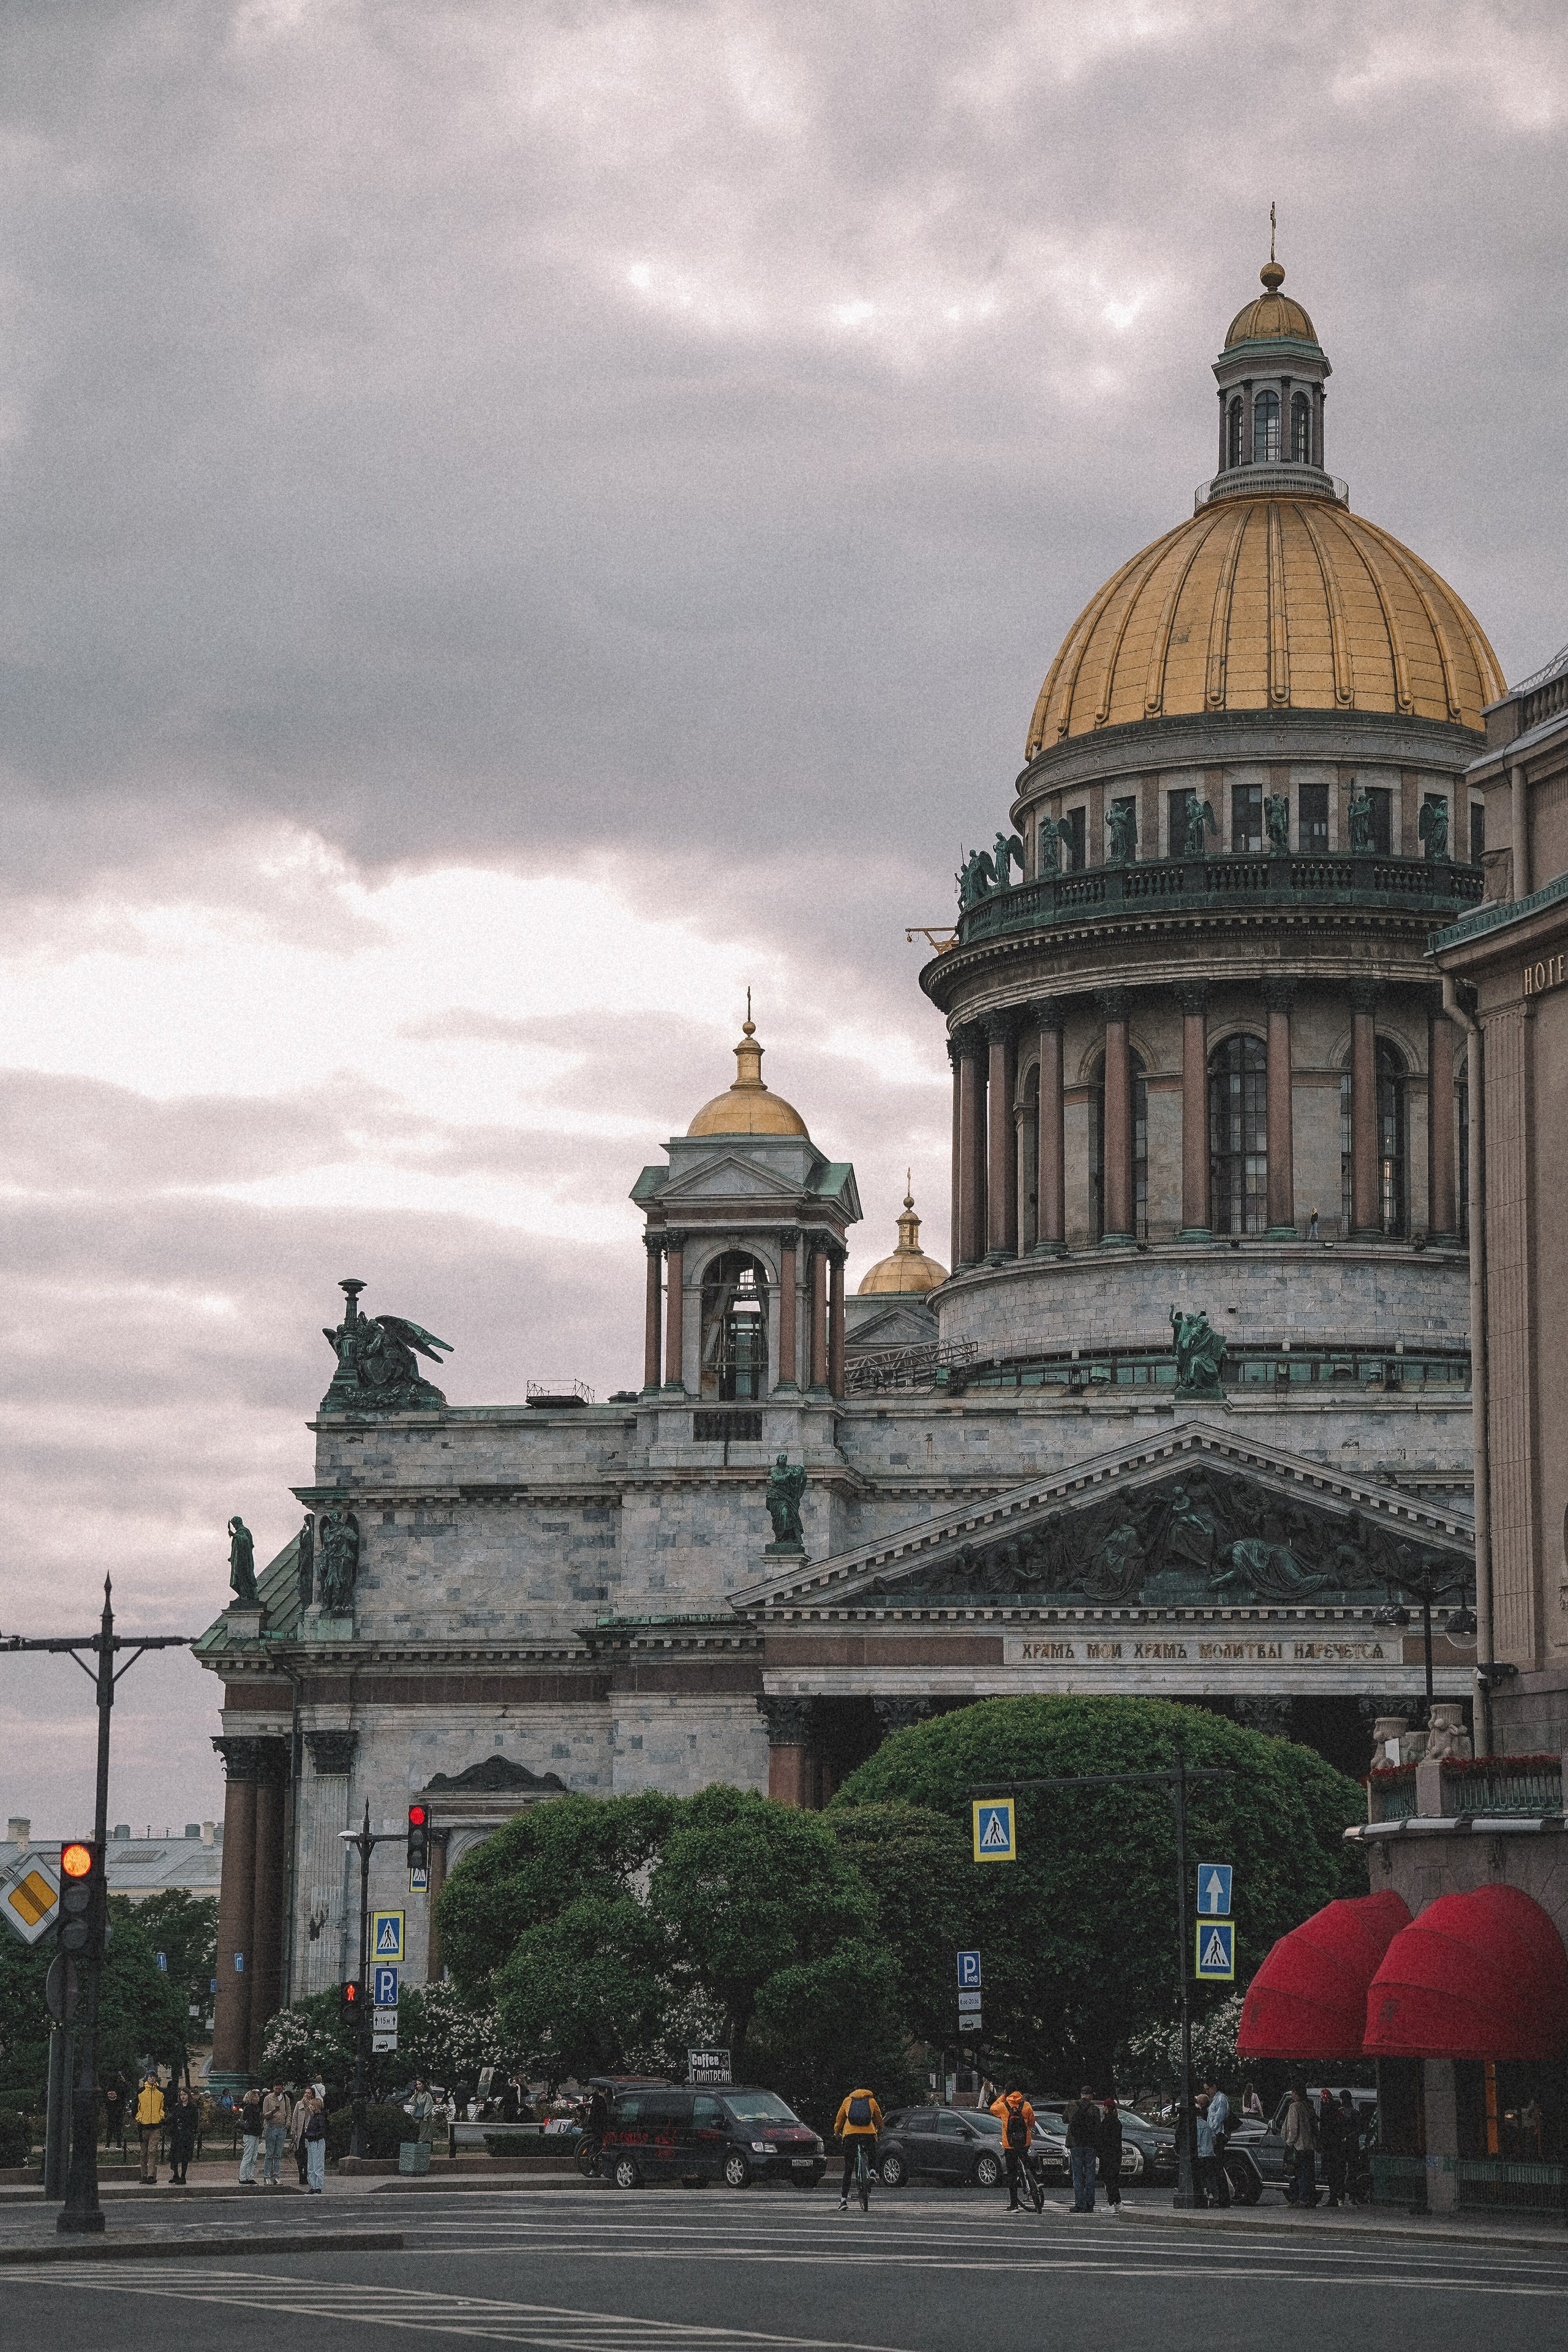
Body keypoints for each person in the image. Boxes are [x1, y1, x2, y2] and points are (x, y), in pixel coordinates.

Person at [832, 2085, 883, 2210]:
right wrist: (879, 2129)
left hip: (850, 2134)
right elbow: (879, 2118)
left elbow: (840, 2119)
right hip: (868, 2133)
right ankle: (872, 2172)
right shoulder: (871, 2101)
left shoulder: (848, 2101)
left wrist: (836, 2132)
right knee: (872, 2151)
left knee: (849, 2168)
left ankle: (843, 2201)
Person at [990, 2085, 1038, 2214]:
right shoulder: (1026, 2105)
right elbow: (1032, 2122)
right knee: (1026, 2162)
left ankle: (1014, 2205)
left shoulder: (1003, 2106)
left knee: (1011, 2173)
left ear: (1007, 2093)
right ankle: (1031, 2181)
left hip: (1010, 2145)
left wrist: (1003, 2096)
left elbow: (992, 2108)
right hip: (1024, 2143)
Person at [1281, 2082, 1318, 2208]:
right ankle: (1308, 2199)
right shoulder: (1309, 2107)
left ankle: (1298, 2199)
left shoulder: (1294, 2107)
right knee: (1308, 2174)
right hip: (1309, 2145)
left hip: (1297, 2146)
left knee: (1295, 2173)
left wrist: (1289, 2143)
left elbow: (1293, 2128)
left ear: (1296, 2093)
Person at [1065, 2085, 1100, 2212]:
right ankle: (1090, 2204)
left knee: (1078, 2175)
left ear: (1081, 2094)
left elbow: (1065, 2119)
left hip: (1075, 2144)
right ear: (1091, 2095)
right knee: (1090, 2174)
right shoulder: (1094, 2109)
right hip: (1090, 2144)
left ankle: (1079, 2204)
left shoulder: (1072, 2105)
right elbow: (1098, 2127)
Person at [134, 2070, 165, 2184]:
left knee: (153, 2151)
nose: (152, 2079)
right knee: (144, 2153)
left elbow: (163, 2107)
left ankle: (151, 2175)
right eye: (150, 2077)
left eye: (154, 2077)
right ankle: (144, 2175)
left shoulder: (160, 2092)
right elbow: (135, 2108)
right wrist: (140, 2118)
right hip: (143, 2126)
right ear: (146, 2078)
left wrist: (160, 2116)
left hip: (156, 2126)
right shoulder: (141, 2092)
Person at [1205, 2079, 1231, 2207]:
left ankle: (1224, 2197)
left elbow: (1218, 2119)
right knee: (1216, 2168)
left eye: (1208, 2089)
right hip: (1216, 2136)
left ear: (1214, 2087)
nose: (1207, 2092)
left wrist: (1211, 2134)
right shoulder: (1216, 2099)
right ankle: (1220, 2196)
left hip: (1218, 2136)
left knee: (1218, 2167)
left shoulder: (1221, 2099)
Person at [167, 2086, 199, 2187]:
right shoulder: (178, 2107)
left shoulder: (193, 2107)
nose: (183, 2097)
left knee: (185, 2156)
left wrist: (189, 2127)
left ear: (188, 2096)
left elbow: (194, 2121)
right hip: (177, 2134)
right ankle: (175, 2174)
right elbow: (173, 2117)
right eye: (181, 2095)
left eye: (184, 2095)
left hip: (187, 2135)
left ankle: (183, 2176)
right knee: (175, 2155)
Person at [262, 2079, 292, 2187]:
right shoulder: (268, 2099)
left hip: (282, 2128)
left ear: (282, 2088)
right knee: (269, 2154)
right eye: (276, 2088)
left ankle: (277, 2176)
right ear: (273, 2088)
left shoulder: (285, 2098)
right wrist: (273, 2112)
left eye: (280, 2089)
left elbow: (289, 2112)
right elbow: (265, 2115)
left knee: (278, 2155)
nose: (278, 2090)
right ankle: (267, 2177)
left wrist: (287, 2124)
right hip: (271, 2127)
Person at [1319, 2089, 1346, 2208]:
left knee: (1331, 2174)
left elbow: (1325, 2129)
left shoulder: (1325, 2110)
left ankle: (1333, 2197)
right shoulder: (1338, 2110)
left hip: (1329, 2146)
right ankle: (1339, 2196)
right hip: (1338, 2146)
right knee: (1338, 2173)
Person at [1098, 2097, 1123, 2210]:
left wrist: (1100, 2151)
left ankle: (1111, 2203)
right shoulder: (1117, 2122)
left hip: (1107, 2154)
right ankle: (1118, 2202)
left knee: (1108, 2180)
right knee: (1114, 2179)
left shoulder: (1107, 2122)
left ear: (1107, 2108)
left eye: (1104, 2106)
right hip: (1116, 2154)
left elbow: (1103, 2138)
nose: (1102, 2108)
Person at [238, 2082, 264, 2185]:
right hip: (250, 2134)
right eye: (256, 2097)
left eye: (258, 2097)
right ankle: (243, 2177)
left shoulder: (256, 2108)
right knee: (248, 2156)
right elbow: (250, 2121)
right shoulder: (249, 2108)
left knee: (253, 2157)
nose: (258, 2099)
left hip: (255, 2134)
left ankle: (250, 2176)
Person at [302, 2090, 327, 2193]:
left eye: (312, 2105)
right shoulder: (315, 2117)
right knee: (311, 2166)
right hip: (312, 2142)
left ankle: (318, 2187)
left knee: (318, 2165)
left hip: (317, 2142)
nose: (310, 2107)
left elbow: (322, 2131)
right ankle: (314, 2185)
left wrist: (311, 2135)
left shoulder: (320, 2117)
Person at [289, 2084, 312, 2186]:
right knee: (299, 2154)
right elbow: (295, 2118)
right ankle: (300, 2174)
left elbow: (314, 2115)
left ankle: (306, 2174)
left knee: (307, 2156)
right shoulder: (299, 2104)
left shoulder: (314, 2104)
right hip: (300, 2133)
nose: (307, 2095)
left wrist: (309, 2107)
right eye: (306, 2093)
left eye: (309, 2093)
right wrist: (293, 2132)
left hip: (309, 2134)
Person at [408, 2078, 435, 2147]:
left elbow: (429, 2105)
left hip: (424, 2116)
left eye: (420, 2084)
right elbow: (411, 2102)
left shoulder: (427, 2095)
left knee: (425, 2132)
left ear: (423, 2085)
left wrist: (425, 2116)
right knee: (418, 2131)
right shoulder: (417, 2094)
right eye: (417, 2085)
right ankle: (419, 2144)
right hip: (417, 2116)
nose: (418, 2086)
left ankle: (426, 2146)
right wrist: (415, 2094)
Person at [104, 2073, 127, 2154]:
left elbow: (105, 2099)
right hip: (119, 2110)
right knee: (118, 2128)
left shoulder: (108, 2088)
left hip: (111, 2111)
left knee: (110, 2128)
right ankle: (119, 2145)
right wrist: (124, 2082)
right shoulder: (119, 2087)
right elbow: (126, 2093)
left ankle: (107, 2145)